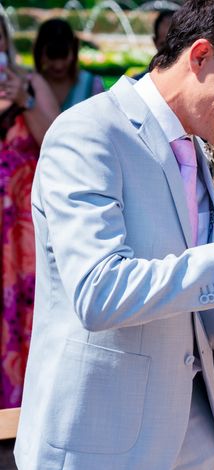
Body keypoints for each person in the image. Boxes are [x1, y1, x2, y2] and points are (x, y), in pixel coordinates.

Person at [13, 2, 214, 470]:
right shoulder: (87, 133)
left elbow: (180, 285)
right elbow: (101, 292)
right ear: (200, 56)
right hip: (100, 441)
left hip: (190, 439)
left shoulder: (198, 148)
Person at [0, 14, 58, 409]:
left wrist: (26, 99)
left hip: (23, 229)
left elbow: (57, 139)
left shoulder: (31, 84)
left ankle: (28, 409)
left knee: (31, 310)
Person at [33, 18, 104, 111]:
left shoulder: (92, 85)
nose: (58, 65)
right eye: (52, 56)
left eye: (64, 55)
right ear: (39, 52)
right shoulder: (28, 86)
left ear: (73, 51)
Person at [134, 9, 175, 80]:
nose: (169, 50)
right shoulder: (138, 83)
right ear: (155, 42)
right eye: (163, 45)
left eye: (175, 45)